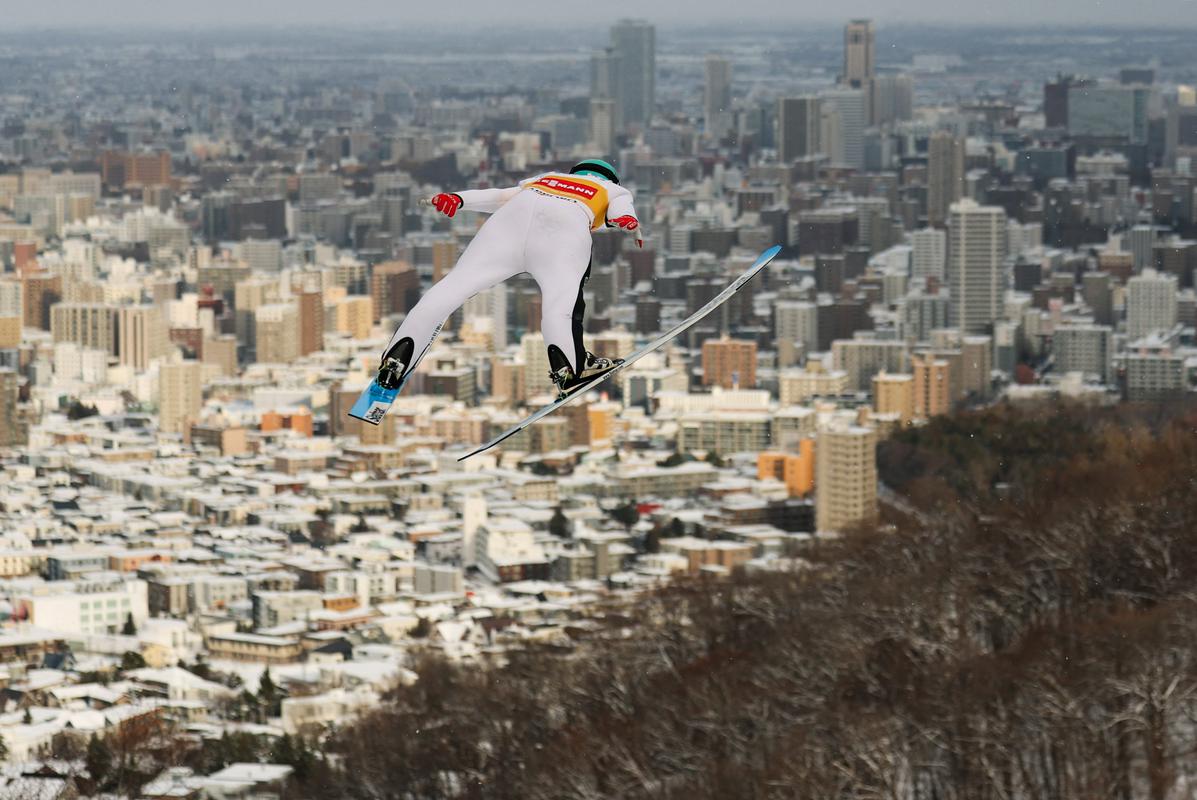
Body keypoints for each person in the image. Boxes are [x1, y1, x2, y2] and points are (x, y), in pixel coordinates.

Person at [376, 158, 641, 399]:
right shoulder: (612, 190)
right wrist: (628, 220)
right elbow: (620, 210)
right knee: (561, 306)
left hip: (507, 226)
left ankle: (397, 357)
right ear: (610, 179)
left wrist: (458, 199)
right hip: (561, 234)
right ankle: (569, 368)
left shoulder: (547, 178)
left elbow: (499, 196)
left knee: (453, 287)